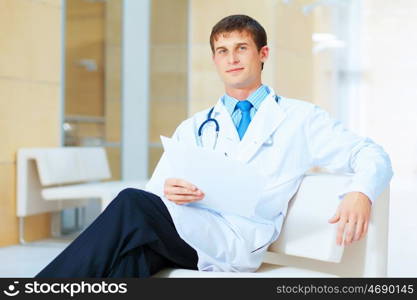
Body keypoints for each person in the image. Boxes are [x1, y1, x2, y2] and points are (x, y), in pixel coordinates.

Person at [36, 14, 393, 277]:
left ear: (262, 53)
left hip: (237, 243)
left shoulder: (301, 118)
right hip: (188, 231)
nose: (232, 58)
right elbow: (156, 192)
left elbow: (371, 153)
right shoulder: (195, 126)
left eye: (241, 48)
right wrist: (169, 189)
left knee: (130, 204)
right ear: (214, 60)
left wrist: (360, 191)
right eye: (222, 51)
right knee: (129, 263)